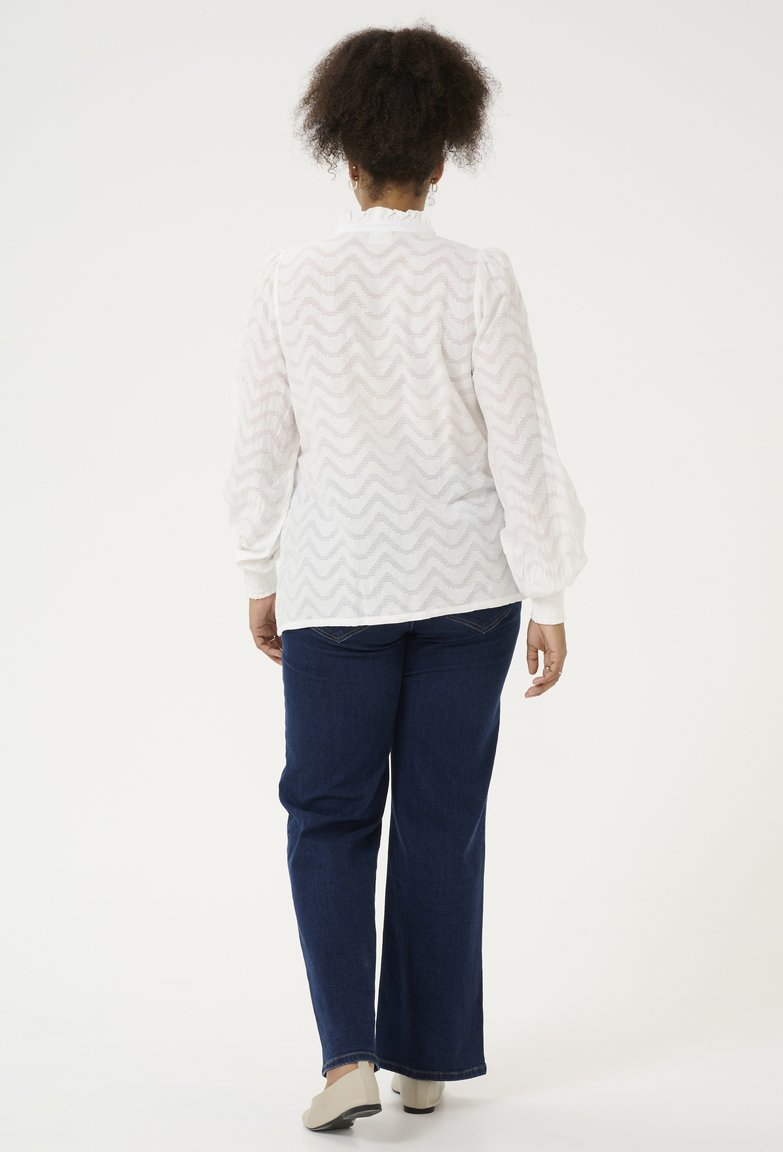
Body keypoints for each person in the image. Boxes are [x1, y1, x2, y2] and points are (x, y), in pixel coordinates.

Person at [224, 21, 588, 1133]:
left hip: (334, 586)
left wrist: (257, 567)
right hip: (468, 593)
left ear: (343, 155)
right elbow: (521, 442)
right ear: (441, 158)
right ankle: (424, 1059)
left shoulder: (290, 278)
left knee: (328, 817)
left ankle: (347, 1057)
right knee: (441, 818)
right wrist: (548, 592)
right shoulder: (478, 278)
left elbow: (262, 443)